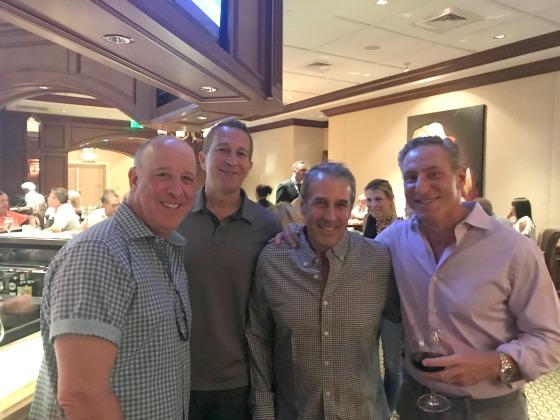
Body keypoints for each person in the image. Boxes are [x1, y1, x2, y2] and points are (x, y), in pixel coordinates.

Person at [377, 136, 560, 419]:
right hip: (415, 400)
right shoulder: (394, 241)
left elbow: (550, 337)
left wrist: (493, 364)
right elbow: (350, 259)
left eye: (433, 174)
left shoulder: (512, 248)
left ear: (460, 177)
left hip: (488, 408)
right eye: (411, 178)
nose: (421, 187)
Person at [30, 136, 197, 419]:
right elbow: (81, 395)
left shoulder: (164, 248)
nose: (176, 189)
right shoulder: (100, 252)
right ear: (134, 179)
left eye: (187, 179)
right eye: (163, 175)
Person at [247, 162, 397, 420]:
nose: (330, 216)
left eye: (340, 205)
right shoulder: (274, 261)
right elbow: (258, 340)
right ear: (302, 206)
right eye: (320, 203)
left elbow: (409, 323)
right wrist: (263, 412)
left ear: (351, 209)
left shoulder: (378, 260)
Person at [177, 119, 282, 420]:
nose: (232, 160)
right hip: (175, 374)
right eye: (223, 150)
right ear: (202, 159)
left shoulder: (268, 226)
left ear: (249, 165)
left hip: (240, 381)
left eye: (240, 153)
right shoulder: (174, 215)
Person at [362, 178, 404, 415]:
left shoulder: (402, 229)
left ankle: (388, 410)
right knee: (368, 361)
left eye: (377, 199)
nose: (372, 204)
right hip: (369, 304)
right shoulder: (368, 224)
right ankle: (374, 406)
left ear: (390, 200)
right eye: (369, 200)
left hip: (393, 307)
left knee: (392, 364)